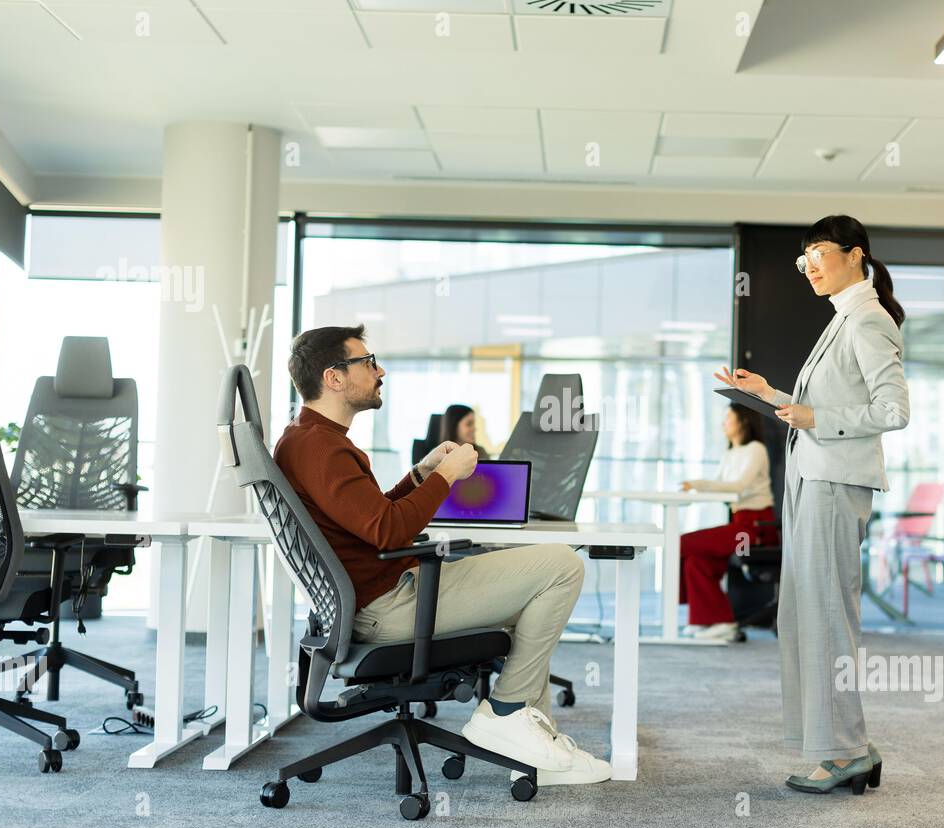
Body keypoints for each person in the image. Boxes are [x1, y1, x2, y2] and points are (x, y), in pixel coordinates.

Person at [274, 325, 610, 786]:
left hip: (374, 598)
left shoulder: (309, 438)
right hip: (389, 604)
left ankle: (533, 752)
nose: (380, 371)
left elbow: (372, 519)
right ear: (334, 377)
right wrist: (448, 476)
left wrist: (420, 473)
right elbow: (390, 529)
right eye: (368, 362)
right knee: (561, 565)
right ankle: (506, 712)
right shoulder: (322, 447)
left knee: (532, 598)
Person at [714, 214, 909, 795]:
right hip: (810, 479)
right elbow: (815, 407)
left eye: (820, 253)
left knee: (825, 617)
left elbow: (893, 410)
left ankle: (843, 751)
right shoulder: (844, 318)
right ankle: (846, 744)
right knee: (805, 615)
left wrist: (815, 417)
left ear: (855, 255)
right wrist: (768, 395)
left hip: (832, 484)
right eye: (804, 260)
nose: (810, 267)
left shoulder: (869, 319)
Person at [677, 403, 775, 642]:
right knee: (696, 561)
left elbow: (737, 487)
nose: (723, 424)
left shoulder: (756, 449)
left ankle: (715, 618)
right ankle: (716, 620)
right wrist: (695, 491)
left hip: (755, 528)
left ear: (742, 421)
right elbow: (721, 488)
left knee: (681, 543)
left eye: (727, 418)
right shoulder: (730, 453)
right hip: (739, 523)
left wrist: (698, 484)